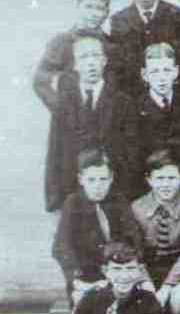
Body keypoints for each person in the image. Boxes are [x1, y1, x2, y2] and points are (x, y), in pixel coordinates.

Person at [34, 0, 113, 211]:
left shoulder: (110, 46)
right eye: (88, 6)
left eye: (99, 8)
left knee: (99, 177)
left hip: (100, 123)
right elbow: (41, 81)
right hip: (67, 124)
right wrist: (62, 110)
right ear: (77, 7)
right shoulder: (62, 42)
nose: (93, 13)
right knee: (68, 174)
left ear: (106, 13)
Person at [53, 148, 144, 307]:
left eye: (103, 179)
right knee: (86, 305)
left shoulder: (118, 201)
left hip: (118, 273)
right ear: (81, 179)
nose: (98, 186)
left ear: (111, 179)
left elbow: (134, 237)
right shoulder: (72, 204)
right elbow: (61, 247)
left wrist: (120, 270)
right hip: (86, 276)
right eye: (92, 180)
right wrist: (76, 280)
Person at [51, 34, 133, 204]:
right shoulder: (64, 102)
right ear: (75, 65)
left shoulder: (122, 100)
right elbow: (55, 151)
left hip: (113, 190)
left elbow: (131, 151)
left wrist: (127, 195)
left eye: (95, 56)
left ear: (104, 61)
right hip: (73, 189)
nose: (90, 62)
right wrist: (54, 201)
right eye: (84, 57)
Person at [132, 149, 180, 314]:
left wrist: (167, 286)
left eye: (171, 178)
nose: (165, 185)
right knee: (140, 299)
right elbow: (135, 252)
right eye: (160, 178)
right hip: (146, 271)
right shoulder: (137, 207)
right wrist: (146, 282)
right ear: (149, 180)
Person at [125, 42, 180, 198]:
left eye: (167, 70)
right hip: (149, 186)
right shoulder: (135, 108)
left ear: (176, 71)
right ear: (145, 75)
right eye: (155, 72)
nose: (162, 78)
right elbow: (134, 155)